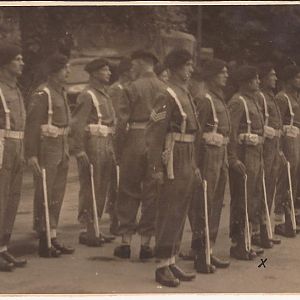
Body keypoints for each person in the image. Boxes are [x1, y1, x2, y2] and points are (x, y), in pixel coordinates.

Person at [147, 48, 199, 287]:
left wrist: (195, 164)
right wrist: (156, 167)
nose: (191, 68)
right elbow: (155, 133)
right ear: (176, 67)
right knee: (168, 210)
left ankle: (171, 259)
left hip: (187, 155)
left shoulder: (185, 93)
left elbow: (192, 132)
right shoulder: (165, 94)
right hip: (172, 156)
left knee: (180, 208)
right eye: (187, 65)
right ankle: (161, 265)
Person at [113, 50, 165, 260]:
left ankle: (125, 242)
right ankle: (146, 244)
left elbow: (121, 122)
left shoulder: (131, 87)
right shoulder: (164, 87)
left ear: (143, 63)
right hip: (156, 140)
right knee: (153, 191)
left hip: (135, 137)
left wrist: (119, 149)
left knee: (127, 189)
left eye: (134, 64)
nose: (132, 68)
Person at [25, 53, 75, 258]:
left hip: (61, 146)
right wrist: (32, 154)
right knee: (45, 192)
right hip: (47, 147)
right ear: (54, 72)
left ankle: (52, 235)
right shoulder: (43, 93)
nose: (68, 72)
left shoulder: (60, 91)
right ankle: (43, 238)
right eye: (65, 68)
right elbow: (32, 126)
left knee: (57, 194)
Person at [189, 59, 231, 273]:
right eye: (222, 72)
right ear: (212, 76)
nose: (226, 75)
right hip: (207, 156)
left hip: (220, 155)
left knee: (215, 204)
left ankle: (209, 251)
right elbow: (196, 134)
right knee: (203, 204)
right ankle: (199, 254)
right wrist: (195, 163)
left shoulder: (219, 99)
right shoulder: (204, 100)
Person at [71, 58, 116, 246]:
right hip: (93, 143)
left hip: (106, 141)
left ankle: (96, 227)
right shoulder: (87, 95)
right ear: (95, 73)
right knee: (91, 185)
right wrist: (79, 150)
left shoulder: (104, 94)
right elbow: (78, 123)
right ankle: (86, 229)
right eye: (105, 70)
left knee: (102, 186)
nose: (109, 73)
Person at [228, 65, 265, 260]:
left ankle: (247, 240)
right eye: (256, 79)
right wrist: (232, 158)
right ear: (247, 82)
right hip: (243, 155)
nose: (259, 82)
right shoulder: (238, 101)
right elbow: (231, 132)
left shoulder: (253, 101)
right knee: (242, 198)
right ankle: (238, 243)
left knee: (253, 197)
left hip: (255, 153)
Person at [0, 44, 27, 271]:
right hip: (2, 146)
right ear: (6, 62)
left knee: (12, 199)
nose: (22, 63)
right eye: (17, 59)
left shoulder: (16, 89)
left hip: (17, 145)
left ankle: (3, 248)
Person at [256, 63, 283, 246]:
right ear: (263, 78)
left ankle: (265, 226)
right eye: (271, 75)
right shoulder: (260, 97)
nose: (274, 78)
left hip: (274, 147)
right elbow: (259, 124)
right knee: (261, 186)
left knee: (270, 185)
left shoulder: (271, 97)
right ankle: (258, 228)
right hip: (265, 147)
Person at [106, 57, 133, 236]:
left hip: (126, 137)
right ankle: (114, 219)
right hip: (118, 139)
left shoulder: (127, 88)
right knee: (116, 180)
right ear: (126, 72)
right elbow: (117, 118)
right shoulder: (117, 89)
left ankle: (120, 218)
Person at [274, 64, 300, 237]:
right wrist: (280, 149)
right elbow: (277, 124)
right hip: (287, 140)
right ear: (289, 79)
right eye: (297, 77)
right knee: (286, 178)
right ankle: (279, 219)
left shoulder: (295, 97)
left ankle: (292, 216)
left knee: (295, 178)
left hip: (296, 138)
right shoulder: (282, 98)